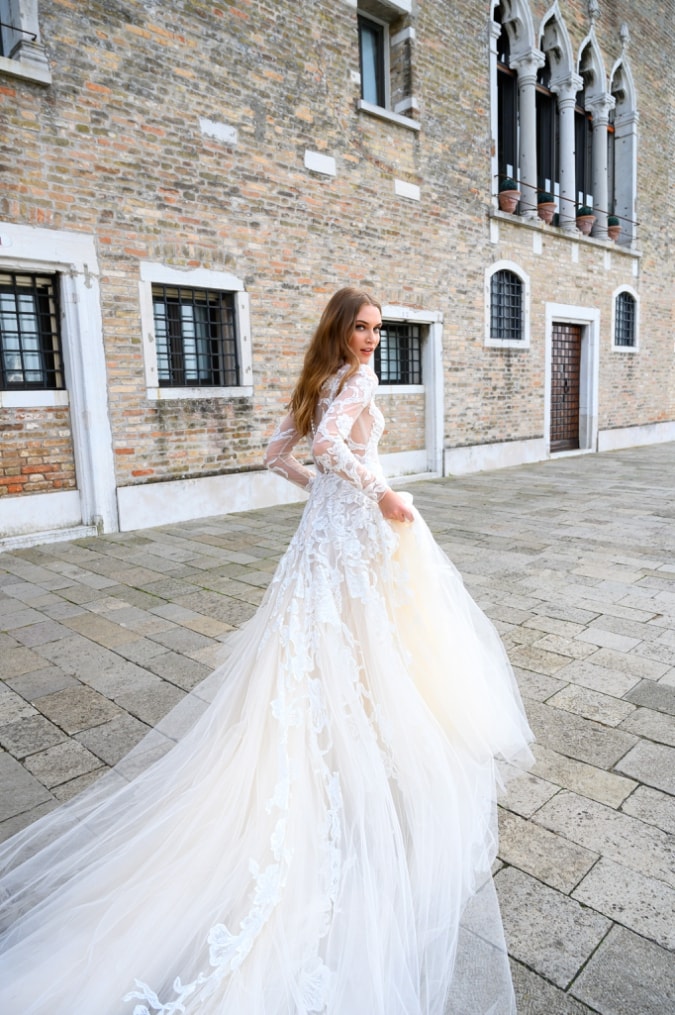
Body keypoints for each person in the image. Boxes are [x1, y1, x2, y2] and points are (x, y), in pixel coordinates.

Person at [0, 287, 533, 1014]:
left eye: (379, 329)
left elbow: (275, 453)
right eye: (362, 327)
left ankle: (352, 738)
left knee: (327, 645)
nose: (372, 339)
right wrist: (377, 493)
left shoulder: (321, 378)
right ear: (340, 329)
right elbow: (321, 445)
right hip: (349, 531)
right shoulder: (357, 381)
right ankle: (358, 754)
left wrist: (324, 492)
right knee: (362, 638)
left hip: (323, 534)